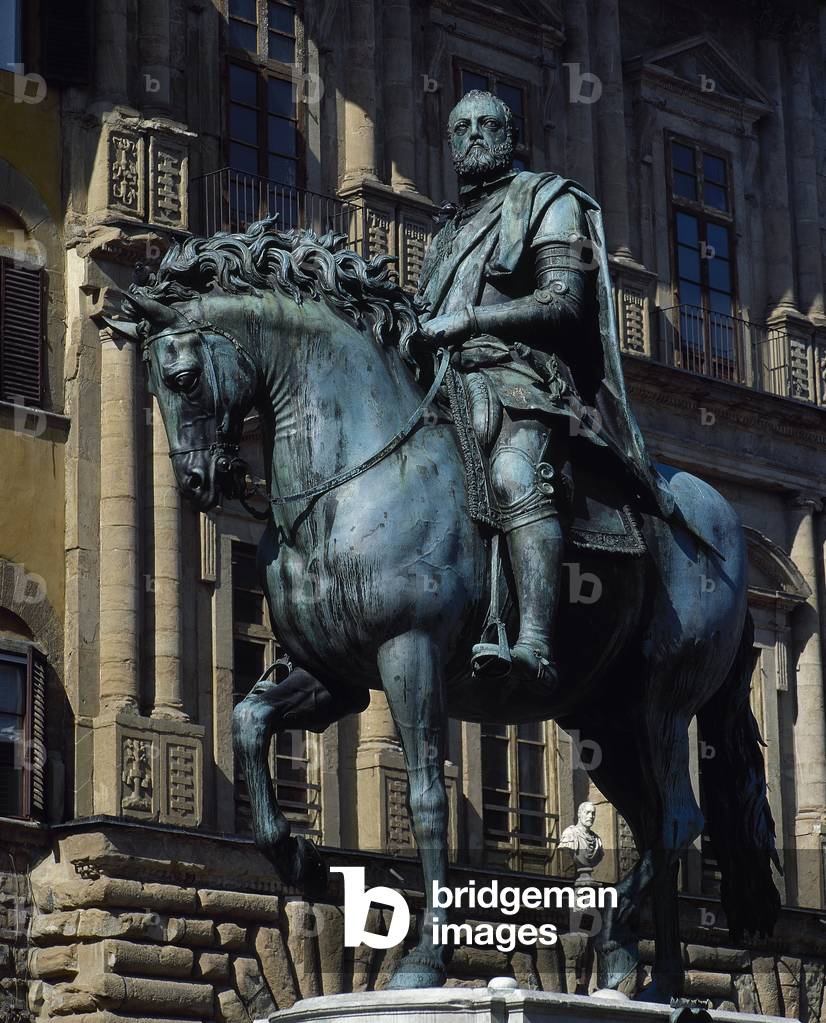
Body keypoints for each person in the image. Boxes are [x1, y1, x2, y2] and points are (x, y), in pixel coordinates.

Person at [417, 90, 675, 694]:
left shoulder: (546, 200)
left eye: (488, 125)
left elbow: (563, 301)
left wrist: (471, 323)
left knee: (512, 475)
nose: (474, 135)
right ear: (451, 144)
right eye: (462, 128)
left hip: (521, 377)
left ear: (510, 136)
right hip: (447, 379)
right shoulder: (446, 229)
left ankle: (533, 637)